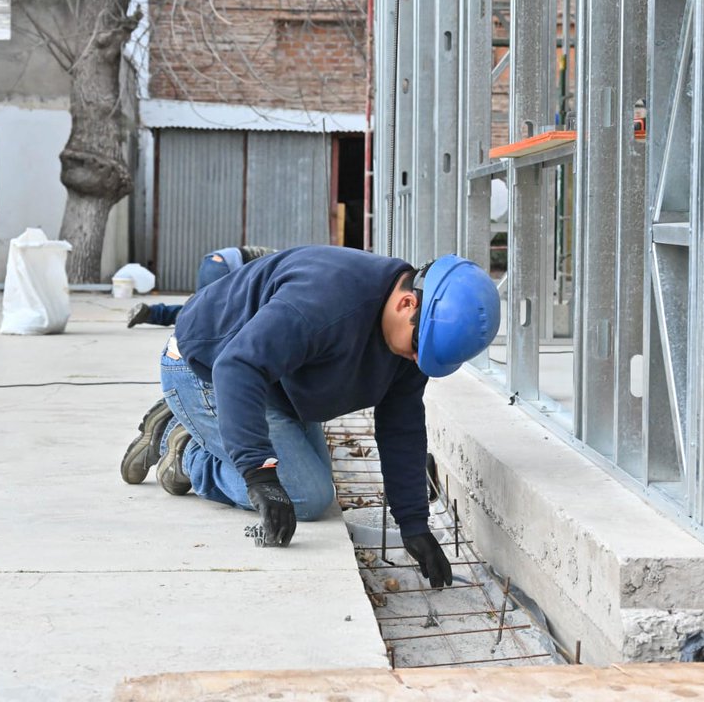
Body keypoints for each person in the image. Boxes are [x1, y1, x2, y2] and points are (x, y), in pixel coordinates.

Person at [119, 245, 500, 588]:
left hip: (272, 384)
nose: (418, 361)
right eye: (420, 348)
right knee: (306, 495)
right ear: (407, 305)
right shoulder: (326, 300)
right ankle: (184, 447)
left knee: (312, 480)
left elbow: (401, 426)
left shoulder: (417, 338)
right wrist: (259, 474)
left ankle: (201, 432)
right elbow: (237, 366)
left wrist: (413, 523)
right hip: (207, 367)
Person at [126, 245, 276, 328]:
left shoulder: (287, 260)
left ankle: (152, 313)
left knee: (205, 312)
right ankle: (156, 314)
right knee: (207, 315)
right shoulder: (289, 266)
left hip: (216, 261)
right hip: (224, 264)